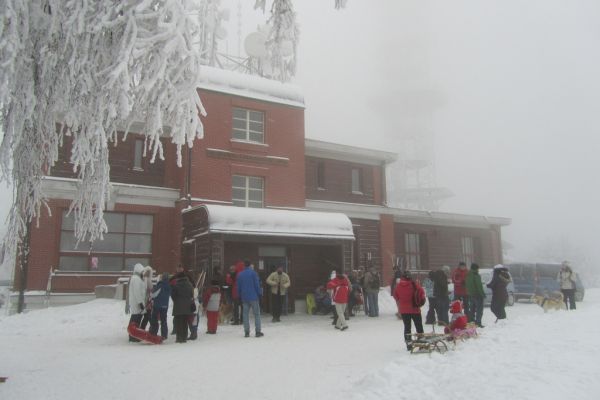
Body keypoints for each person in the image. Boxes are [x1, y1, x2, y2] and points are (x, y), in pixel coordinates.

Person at [393, 270, 425, 351]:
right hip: (415, 309)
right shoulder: (414, 284)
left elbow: (396, 296)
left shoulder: (398, 286)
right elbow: (421, 293)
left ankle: (409, 344)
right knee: (419, 327)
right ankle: (421, 343)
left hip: (404, 310)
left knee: (407, 327)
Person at [236, 260, 264, 337]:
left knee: (245, 315)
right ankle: (258, 331)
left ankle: (246, 332)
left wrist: (238, 296)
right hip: (254, 297)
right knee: (257, 314)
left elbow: (238, 287)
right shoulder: (253, 273)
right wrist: (260, 294)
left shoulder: (240, 275)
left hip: (244, 297)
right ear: (250, 265)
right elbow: (257, 285)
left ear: (244, 265)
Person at [171, 270, 194, 343]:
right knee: (185, 322)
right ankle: (184, 337)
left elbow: (173, 295)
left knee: (178, 323)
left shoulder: (176, 285)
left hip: (178, 306)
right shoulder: (190, 284)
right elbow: (191, 295)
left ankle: (179, 338)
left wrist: (176, 301)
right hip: (187, 307)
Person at [127, 263, 147, 342]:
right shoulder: (136, 279)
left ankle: (134, 335)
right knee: (134, 321)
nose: (143, 273)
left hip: (138, 304)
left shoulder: (138, 278)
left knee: (136, 320)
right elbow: (137, 292)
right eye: (142, 271)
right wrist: (140, 303)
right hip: (137, 304)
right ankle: (132, 336)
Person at [149, 272, 171, 339]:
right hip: (165, 306)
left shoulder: (160, 285)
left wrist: (151, 292)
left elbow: (153, 294)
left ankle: (153, 333)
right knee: (164, 320)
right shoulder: (169, 286)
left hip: (157, 305)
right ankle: (164, 335)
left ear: (162, 278)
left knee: (154, 319)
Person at [465, 263, 485, 327]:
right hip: (477, 295)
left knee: (472, 309)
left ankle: (471, 322)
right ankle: (478, 323)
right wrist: (482, 294)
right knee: (479, 310)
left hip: (470, 294)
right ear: (476, 268)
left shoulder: (468, 275)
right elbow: (479, 286)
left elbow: (466, 285)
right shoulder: (476, 275)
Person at [140, 266, 154, 330]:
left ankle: (144, 328)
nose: (148, 273)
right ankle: (151, 328)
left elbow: (151, 290)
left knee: (147, 316)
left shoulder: (148, 280)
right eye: (147, 272)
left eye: (149, 272)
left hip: (148, 301)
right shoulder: (143, 280)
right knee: (146, 316)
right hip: (144, 301)